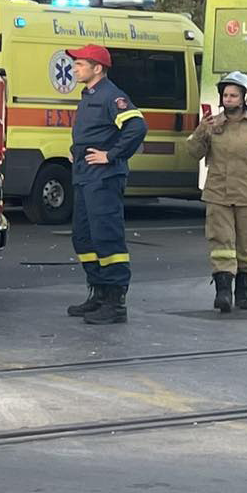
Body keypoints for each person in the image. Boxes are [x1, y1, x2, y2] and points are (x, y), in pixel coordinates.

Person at [185, 71, 247, 314]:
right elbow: (193, 152)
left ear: (245, 98)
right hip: (218, 194)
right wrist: (202, 130)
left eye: (233, 95)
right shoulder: (212, 124)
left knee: (246, 245)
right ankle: (223, 292)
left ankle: (243, 291)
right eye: (225, 95)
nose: (228, 99)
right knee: (221, 242)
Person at [64, 44, 148, 325]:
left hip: (104, 178)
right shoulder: (89, 95)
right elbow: (95, 132)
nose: (75, 68)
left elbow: (137, 127)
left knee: (106, 238)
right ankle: (99, 294)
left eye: (80, 64)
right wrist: (76, 151)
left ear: (97, 68)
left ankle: (115, 302)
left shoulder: (112, 96)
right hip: (84, 175)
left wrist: (111, 155)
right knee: (83, 238)